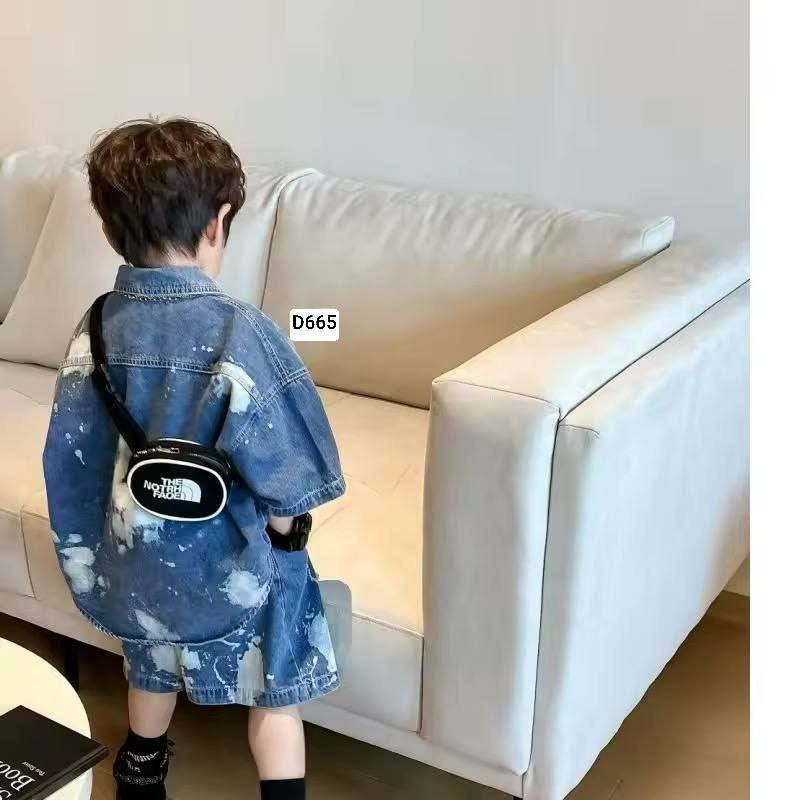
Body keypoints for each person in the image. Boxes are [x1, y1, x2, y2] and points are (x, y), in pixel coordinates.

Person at [42, 118, 346, 800]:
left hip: (138, 561)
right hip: (233, 568)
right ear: (218, 222)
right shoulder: (243, 333)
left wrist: (101, 542)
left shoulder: (96, 327)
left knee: (150, 664)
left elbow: (72, 457)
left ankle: (140, 772)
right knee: (278, 685)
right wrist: (288, 540)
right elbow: (292, 478)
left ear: (109, 229)